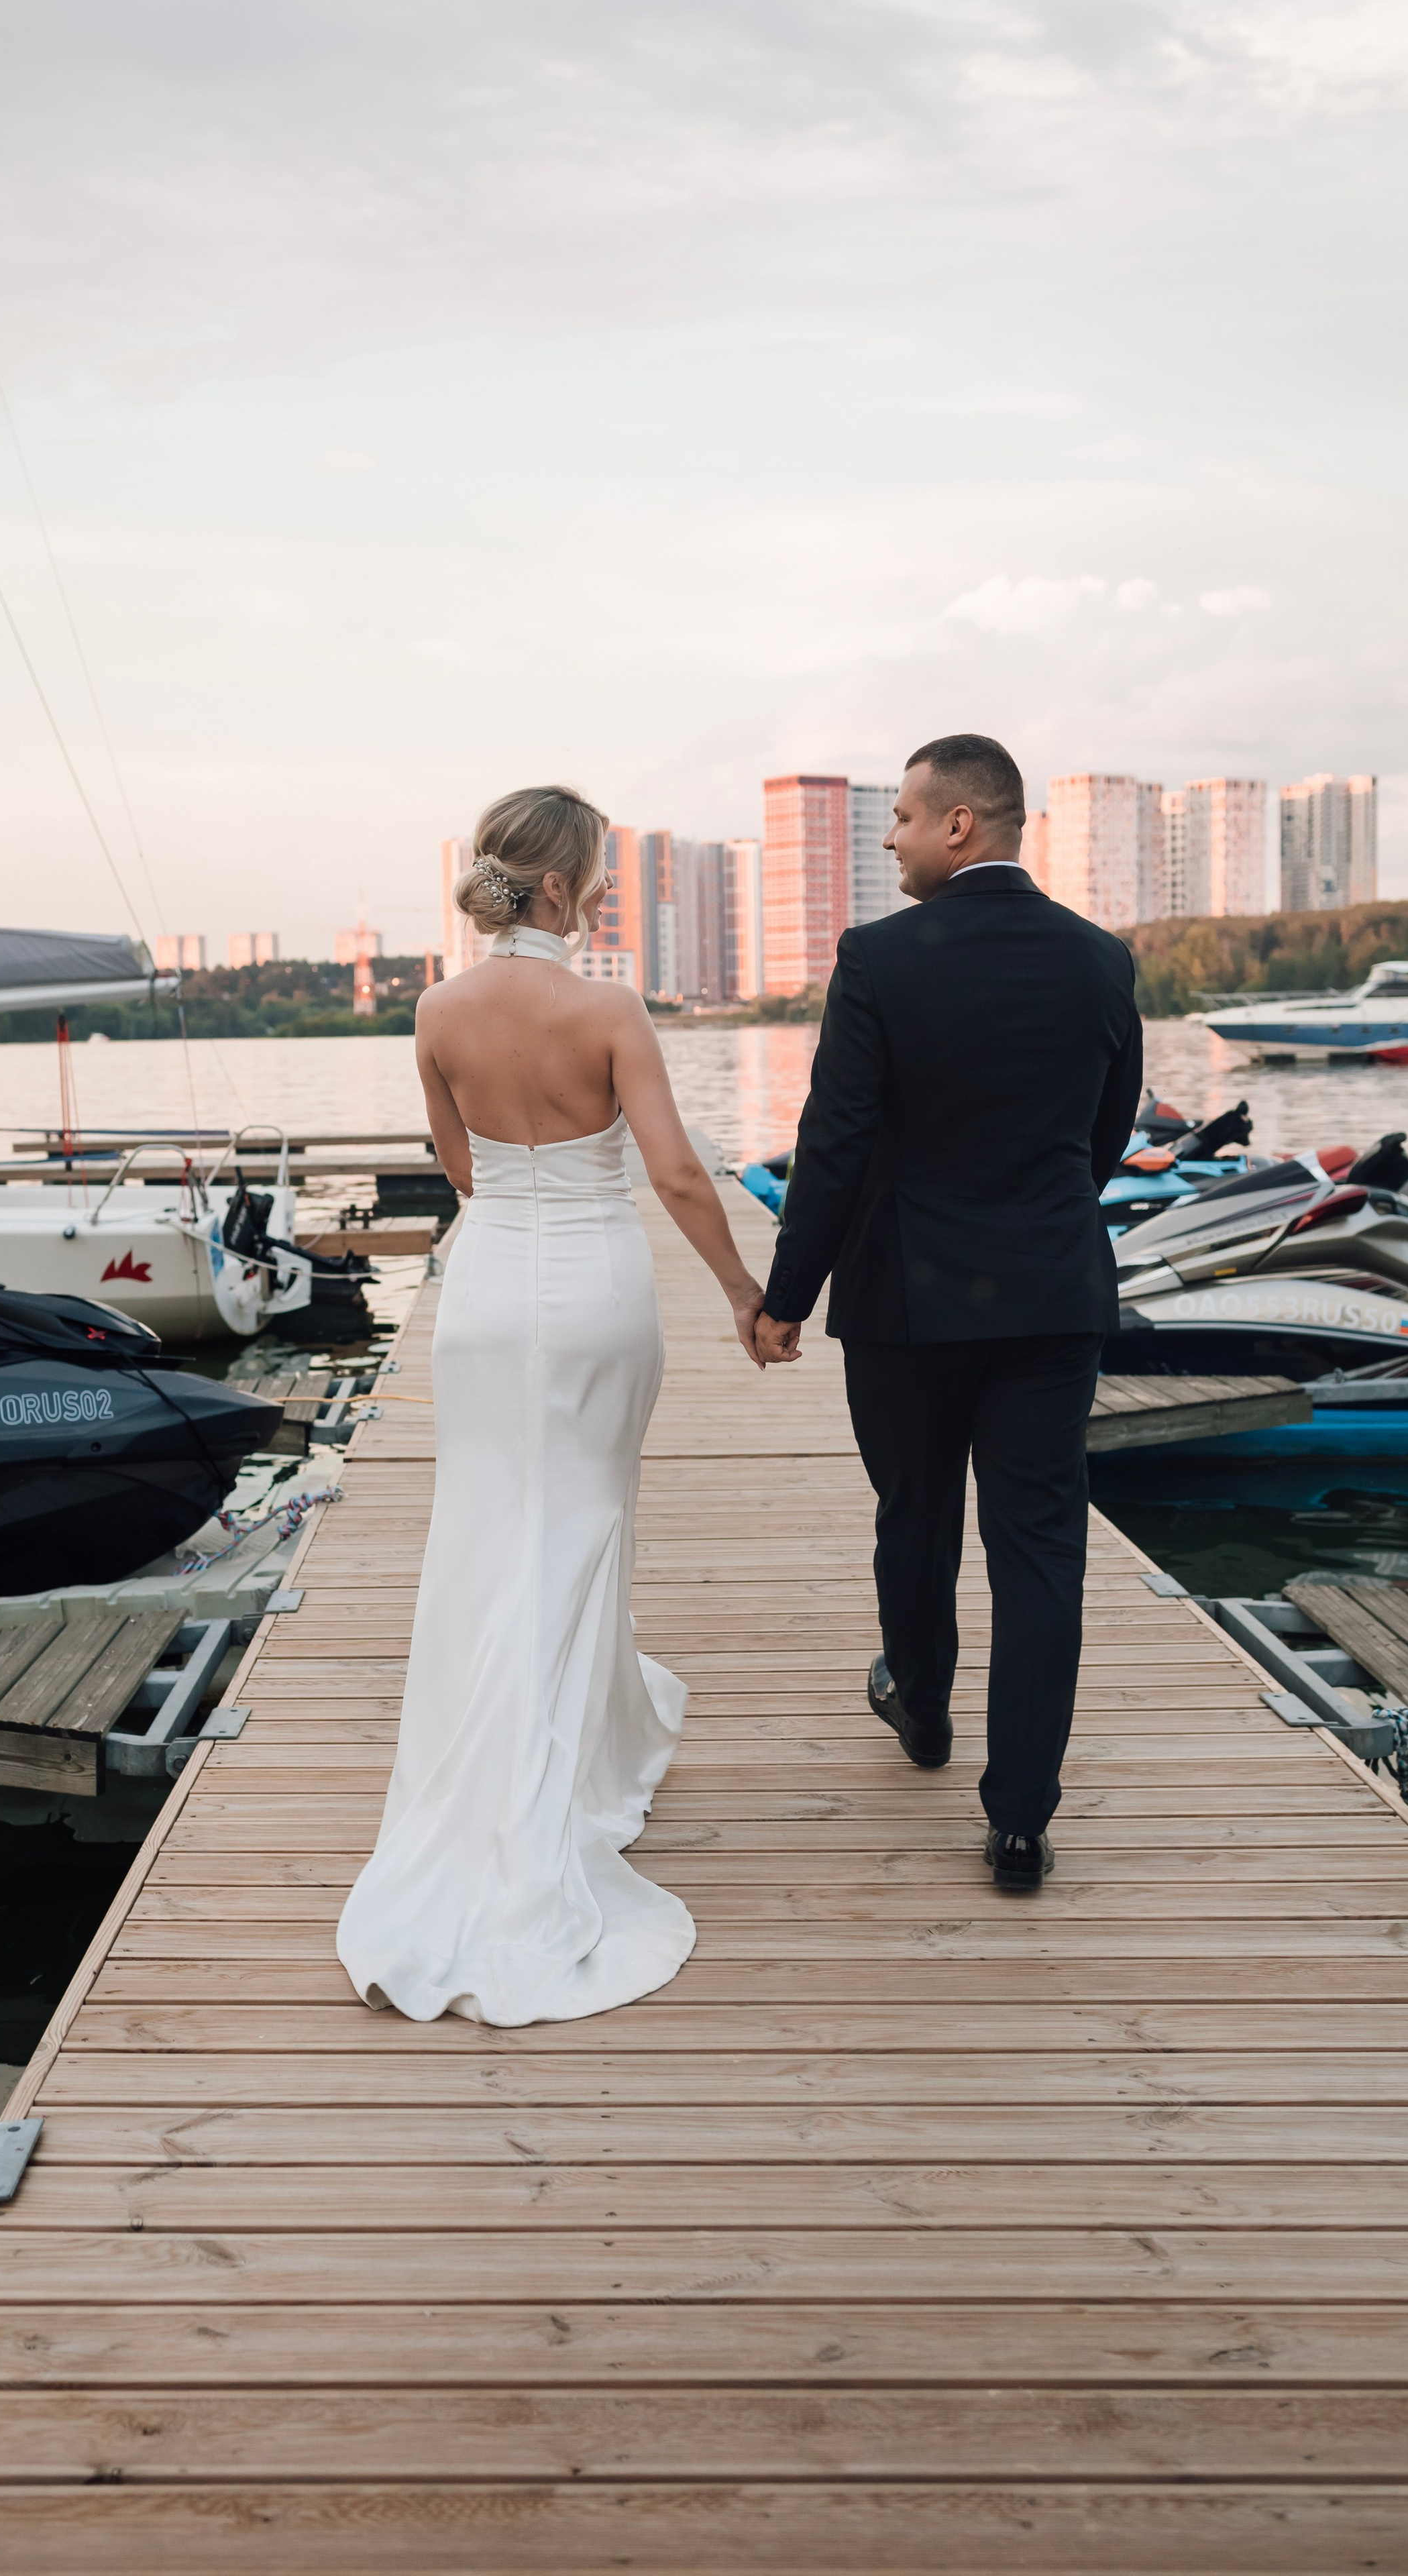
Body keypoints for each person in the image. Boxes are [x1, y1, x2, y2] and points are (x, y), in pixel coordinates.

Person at [336, 785, 769, 2024]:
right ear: (571, 890)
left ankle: (492, 1769)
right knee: (583, 1520)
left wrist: (519, 1209)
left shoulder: (434, 1010)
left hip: (485, 1288)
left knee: (486, 1526)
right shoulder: (610, 1009)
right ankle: (555, 1788)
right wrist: (745, 1292)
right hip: (592, 1285)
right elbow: (679, 1173)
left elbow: (461, 1168)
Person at [755, 735, 1142, 1893]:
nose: (891, 838)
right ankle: (1020, 1822)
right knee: (1040, 1552)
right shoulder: (1099, 959)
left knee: (914, 1516)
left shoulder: (880, 957)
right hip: (1051, 1293)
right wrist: (1041, 1216)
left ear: (961, 824)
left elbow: (835, 1142)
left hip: (908, 1302)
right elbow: (1108, 1131)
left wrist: (787, 1297)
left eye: (907, 820)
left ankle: (922, 1711)